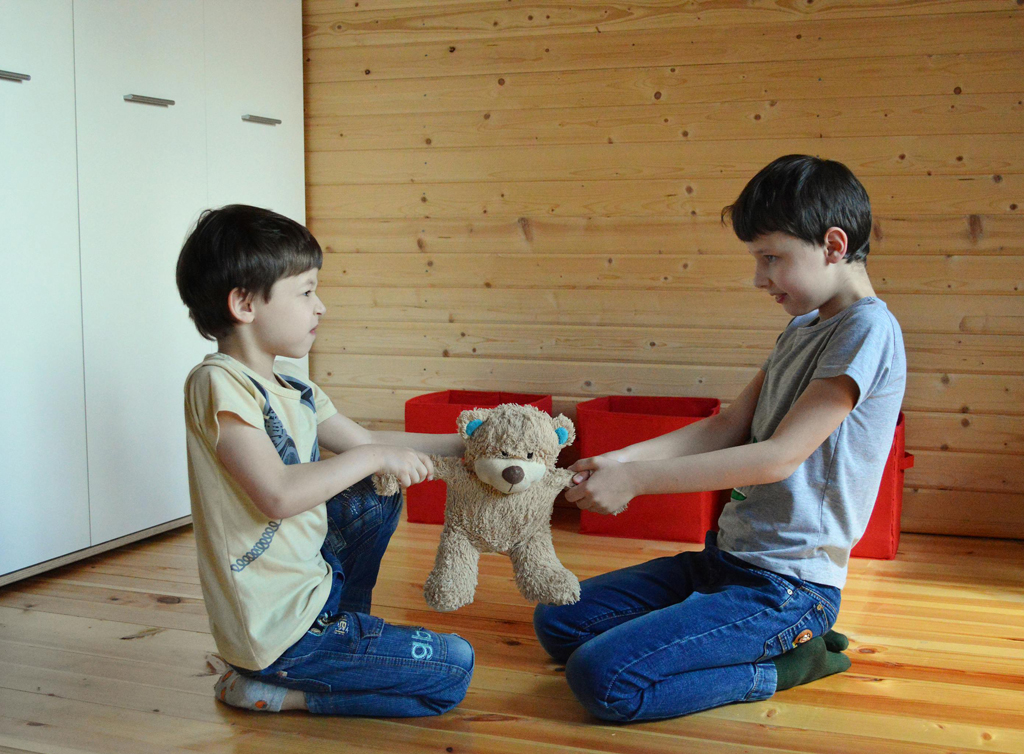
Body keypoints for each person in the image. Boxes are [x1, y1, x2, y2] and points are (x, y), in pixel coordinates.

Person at [534, 155, 906, 722]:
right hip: (725, 560)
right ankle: (705, 635)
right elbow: (725, 426)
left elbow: (778, 458)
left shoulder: (868, 329)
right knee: (558, 620)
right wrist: (619, 457)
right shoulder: (803, 328)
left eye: (771, 258)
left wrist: (636, 480)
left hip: (787, 588)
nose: (760, 278)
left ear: (834, 244)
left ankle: (787, 663)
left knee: (602, 679)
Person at [176, 204, 473, 716]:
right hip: (274, 633)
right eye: (307, 291)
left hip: (314, 592)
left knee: (376, 496)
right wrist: (377, 455)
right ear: (245, 304)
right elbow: (277, 495)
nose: (322, 307)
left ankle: (343, 631)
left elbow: (365, 442)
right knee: (453, 671)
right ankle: (281, 690)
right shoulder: (218, 383)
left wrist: (469, 445)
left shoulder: (295, 387)